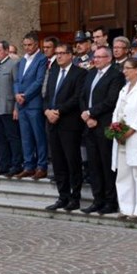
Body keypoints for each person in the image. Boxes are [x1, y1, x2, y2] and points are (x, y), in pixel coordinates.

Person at [43, 43, 88, 211]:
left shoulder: (80, 73)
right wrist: (47, 110)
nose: (59, 56)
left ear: (71, 55)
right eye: (57, 53)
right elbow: (47, 96)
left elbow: (77, 97)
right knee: (58, 162)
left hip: (69, 123)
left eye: (62, 53)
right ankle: (62, 196)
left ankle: (75, 197)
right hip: (52, 123)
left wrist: (58, 111)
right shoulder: (53, 72)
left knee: (72, 161)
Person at [80, 46, 124, 214]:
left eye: (99, 57)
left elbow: (111, 100)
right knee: (94, 165)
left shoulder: (116, 75)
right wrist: (86, 114)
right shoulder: (91, 74)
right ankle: (97, 200)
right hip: (89, 125)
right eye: (94, 56)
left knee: (106, 165)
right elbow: (82, 96)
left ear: (108, 58)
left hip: (104, 125)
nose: (95, 59)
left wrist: (91, 113)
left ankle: (110, 201)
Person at [111, 57, 137, 220]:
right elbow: (117, 109)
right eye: (124, 68)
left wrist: (130, 130)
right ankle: (126, 207)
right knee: (123, 173)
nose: (125, 71)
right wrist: (115, 128)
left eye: (128, 68)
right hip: (121, 135)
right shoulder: (124, 88)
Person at [14, 32, 49, 179]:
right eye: (25, 45)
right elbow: (16, 80)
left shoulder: (41, 59)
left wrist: (25, 95)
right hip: (21, 104)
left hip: (33, 102)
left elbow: (39, 81)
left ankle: (42, 166)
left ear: (36, 44)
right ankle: (29, 165)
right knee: (26, 136)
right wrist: (17, 94)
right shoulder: (22, 61)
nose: (27, 48)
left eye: (30, 45)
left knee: (38, 135)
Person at [0, 41, 22, 177]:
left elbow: (17, 86)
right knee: (0, 136)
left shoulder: (13, 64)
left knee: (12, 136)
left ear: (7, 51)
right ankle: (4, 164)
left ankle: (16, 164)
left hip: (8, 106)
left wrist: (16, 107)